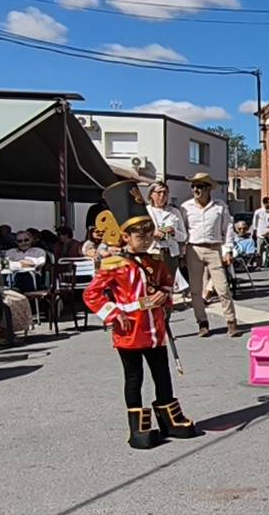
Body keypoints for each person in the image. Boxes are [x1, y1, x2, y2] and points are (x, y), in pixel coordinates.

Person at [84, 181, 200, 450]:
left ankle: (170, 420)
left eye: (149, 233)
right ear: (125, 237)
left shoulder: (155, 261)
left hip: (155, 329)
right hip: (130, 331)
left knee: (163, 374)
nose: (147, 239)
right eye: (140, 235)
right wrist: (113, 313)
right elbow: (92, 294)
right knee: (134, 378)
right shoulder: (114, 265)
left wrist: (163, 295)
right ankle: (138, 427)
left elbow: (167, 283)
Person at [180, 172, 239, 338]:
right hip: (194, 249)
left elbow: (228, 228)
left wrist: (228, 250)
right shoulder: (185, 207)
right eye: (193, 186)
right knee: (195, 290)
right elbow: (183, 231)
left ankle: (231, 322)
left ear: (208, 189)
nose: (195, 189)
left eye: (199, 186)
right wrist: (182, 253)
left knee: (223, 288)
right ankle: (202, 323)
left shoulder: (220, 207)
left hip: (214, 248)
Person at [147, 182, 187, 276]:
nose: (162, 196)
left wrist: (173, 232)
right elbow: (140, 233)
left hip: (170, 253)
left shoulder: (175, 212)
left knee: (170, 280)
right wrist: (153, 233)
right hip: (153, 252)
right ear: (151, 194)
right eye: (159, 193)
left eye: (165, 193)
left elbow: (184, 236)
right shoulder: (146, 211)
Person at [251, 197, 269, 270]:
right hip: (260, 234)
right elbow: (255, 223)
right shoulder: (258, 212)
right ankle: (259, 265)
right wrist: (255, 231)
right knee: (259, 250)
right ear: (265, 203)